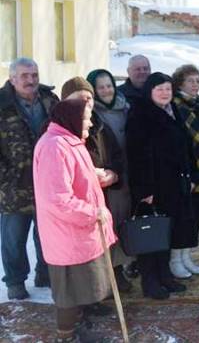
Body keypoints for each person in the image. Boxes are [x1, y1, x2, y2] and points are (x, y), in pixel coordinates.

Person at [32, 99, 116, 342]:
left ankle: (80, 328)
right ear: (71, 118)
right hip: (67, 234)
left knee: (82, 289)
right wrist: (92, 212)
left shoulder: (71, 141)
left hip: (78, 231)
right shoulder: (55, 146)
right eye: (86, 118)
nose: (90, 122)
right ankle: (65, 336)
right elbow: (57, 199)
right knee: (70, 292)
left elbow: (72, 178)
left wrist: (94, 176)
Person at [126, 72, 194, 299]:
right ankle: (150, 281)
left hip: (173, 184)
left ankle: (165, 275)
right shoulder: (140, 115)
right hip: (151, 188)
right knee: (151, 235)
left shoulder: (171, 110)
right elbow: (136, 157)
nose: (165, 93)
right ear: (150, 92)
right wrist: (144, 190)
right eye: (160, 89)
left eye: (168, 89)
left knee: (167, 232)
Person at [62, 76, 132, 293]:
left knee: (111, 234)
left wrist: (113, 173)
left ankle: (114, 275)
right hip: (79, 199)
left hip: (105, 191)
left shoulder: (98, 124)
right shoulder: (60, 128)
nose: (86, 103)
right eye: (79, 98)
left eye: (89, 98)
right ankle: (92, 292)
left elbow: (118, 155)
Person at [0, 57, 57, 300]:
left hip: (47, 182)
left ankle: (45, 273)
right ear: (13, 78)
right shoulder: (2, 103)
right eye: (24, 76)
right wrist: (4, 179)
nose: (31, 80)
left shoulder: (49, 99)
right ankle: (15, 282)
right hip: (14, 186)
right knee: (14, 237)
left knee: (47, 233)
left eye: (34, 75)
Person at [172, 65, 199, 278]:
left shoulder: (198, 105)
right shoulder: (177, 106)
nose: (195, 85)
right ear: (180, 83)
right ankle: (176, 259)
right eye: (190, 81)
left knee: (196, 216)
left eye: (198, 81)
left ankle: (187, 255)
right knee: (183, 218)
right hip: (187, 172)